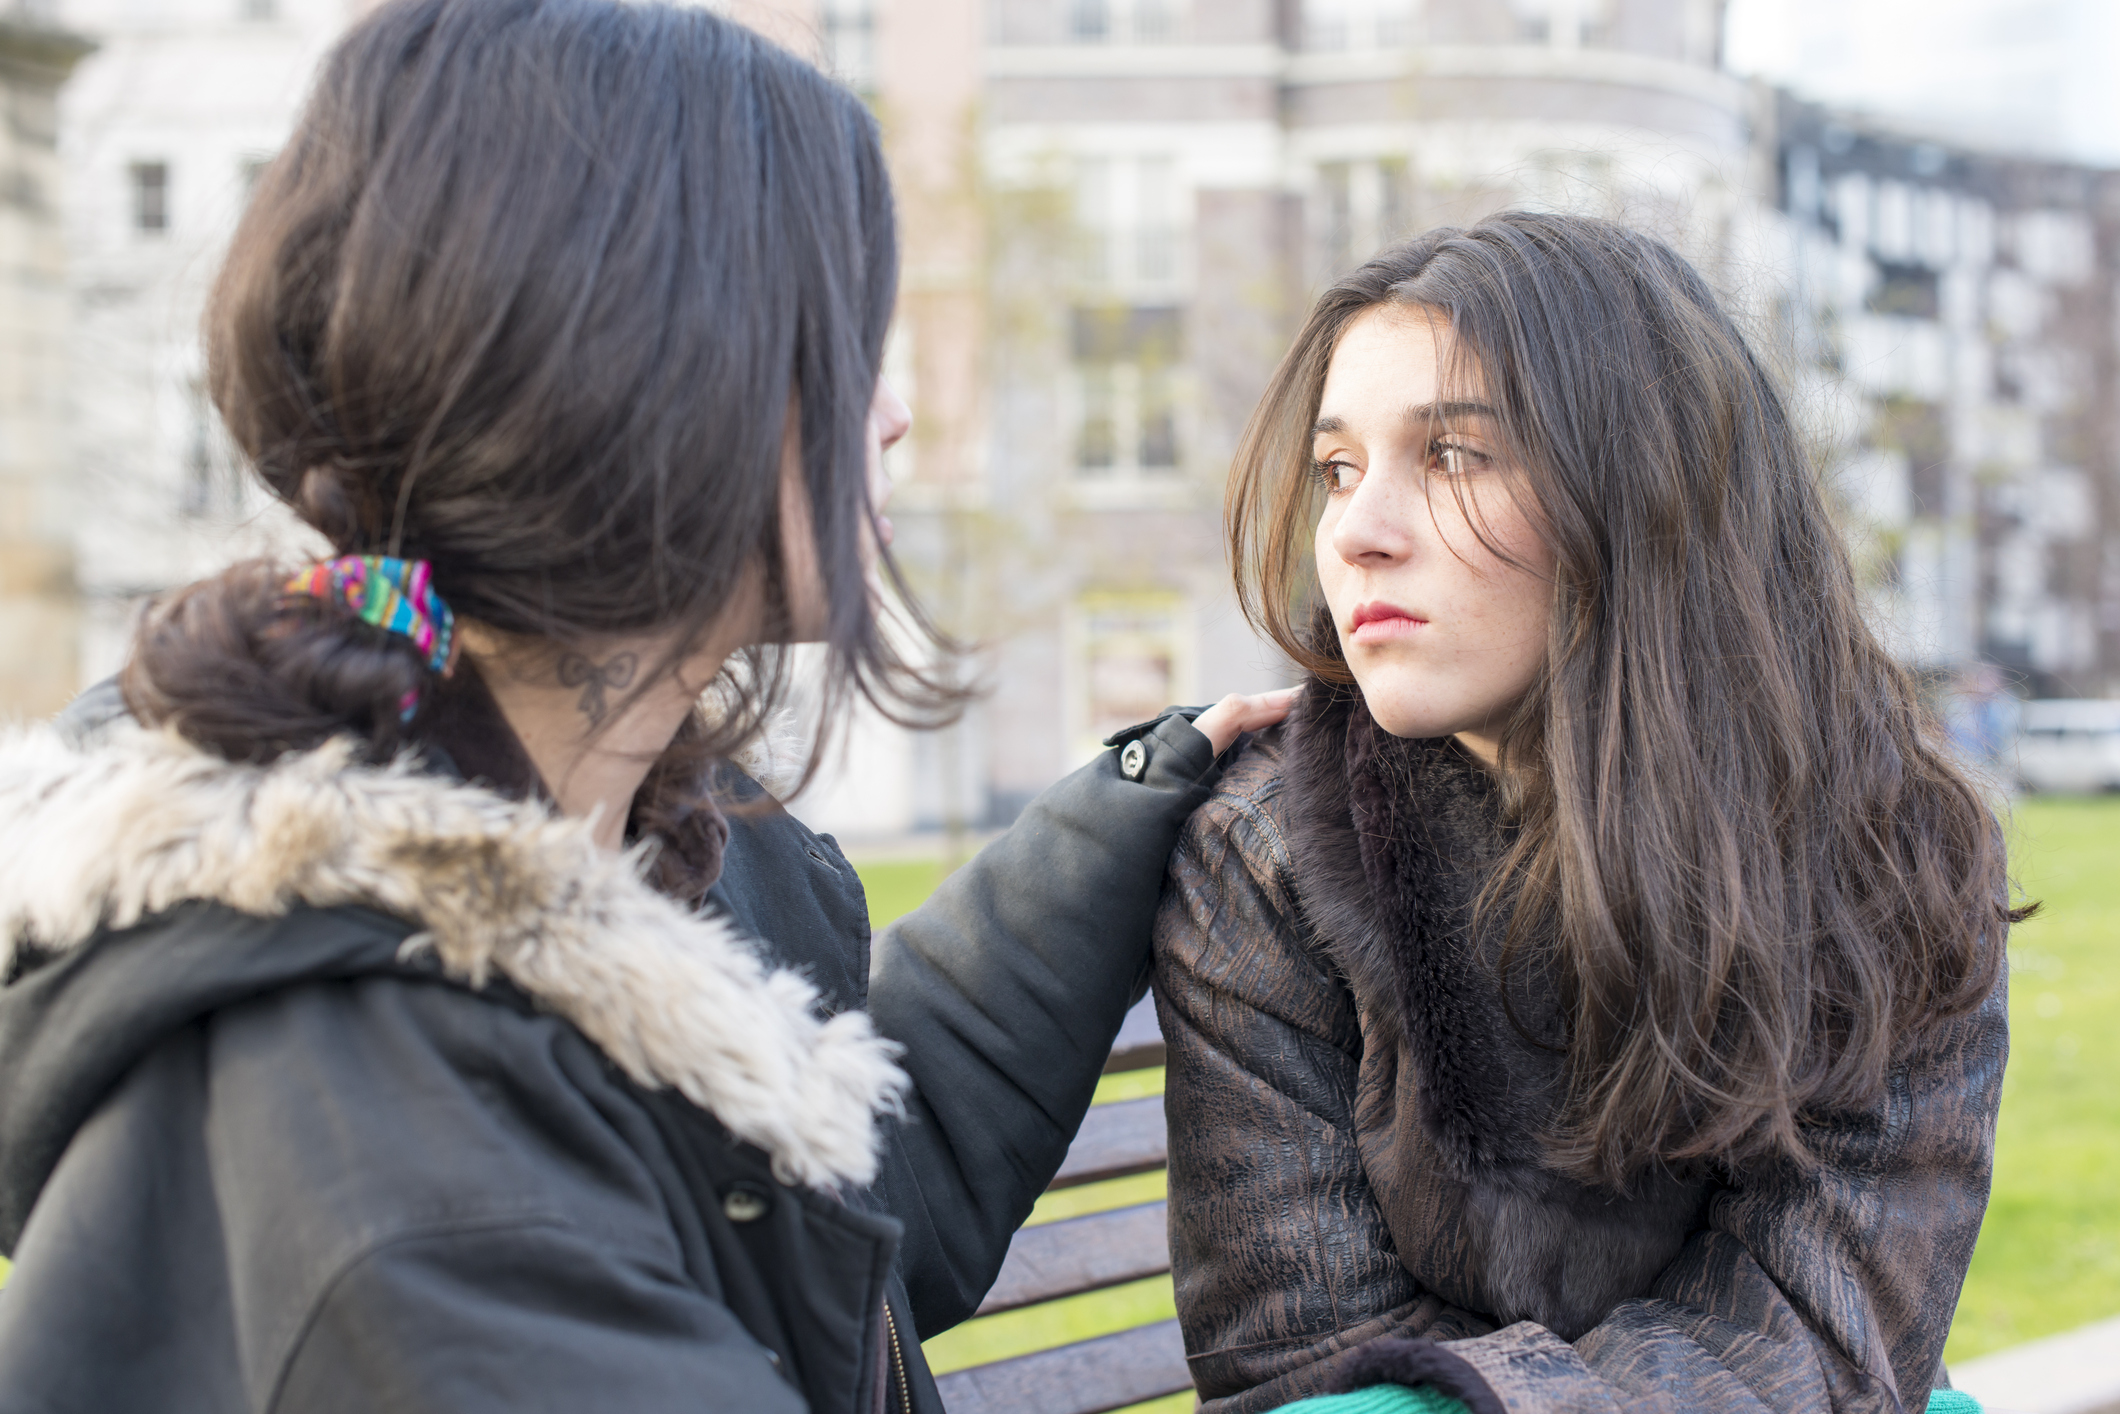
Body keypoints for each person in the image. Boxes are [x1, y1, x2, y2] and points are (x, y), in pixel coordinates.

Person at [0, 2, 1291, 1410]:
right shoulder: (416, 1173)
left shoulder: (635, 839)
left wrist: (1123, 816)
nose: (897, 414)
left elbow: (826, 1228)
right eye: (852, 340)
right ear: (653, 376)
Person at [1152, 213, 2018, 1414]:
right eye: (1337, 468)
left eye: (1453, 454)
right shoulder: (1266, 855)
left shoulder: (1885, 853)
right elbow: (1298, 1367)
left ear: (1644, 496)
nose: (1352, 532)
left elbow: (1825, 1331)